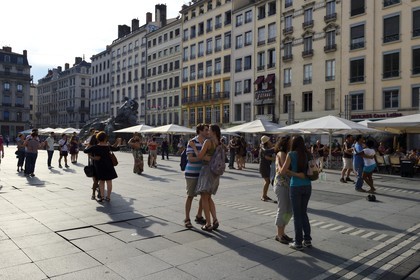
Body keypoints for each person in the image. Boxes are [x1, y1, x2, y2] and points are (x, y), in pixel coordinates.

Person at [279, 135, 312, 251]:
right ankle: (307, 240)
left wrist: (291, 172)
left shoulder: (291, 154)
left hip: (295, 186)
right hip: (308, 185)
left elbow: (282, 172)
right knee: (304, 213)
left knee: (297, 215)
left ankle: (298, 242)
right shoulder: (308, 154)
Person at [189, 124, 222, 231]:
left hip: (206, 171)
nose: (208, 132)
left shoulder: (208, 142)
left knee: (204, 197)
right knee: (209, 197)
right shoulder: (219, 143)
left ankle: (208, 223)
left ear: (214, 132)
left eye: (210, 130)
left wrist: (194, 147)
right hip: (215, 172)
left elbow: (199, 156)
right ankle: (215, 220)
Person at [84, 131, 121, 202]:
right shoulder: (108, 147)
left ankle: (102, 197)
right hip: (109, 166)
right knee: (109, 181)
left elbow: (85, 151)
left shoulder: (95, 147)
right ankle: (108, 197)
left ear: (98, 138)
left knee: (101, 181)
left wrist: (88, 146)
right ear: (105, 139)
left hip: (99, 166)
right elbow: (117, 148)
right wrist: (118, 142)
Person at [183, 123, 207, 229]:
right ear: (200, 131)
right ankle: (187, 218)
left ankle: (199, 215)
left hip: (202, 173)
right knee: (190, 196)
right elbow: (190, 159)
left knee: (203, 195)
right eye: (206, 130)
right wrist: (202, 157)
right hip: (192, 173)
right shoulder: (192, 142)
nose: (207, 132)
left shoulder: (206, 142)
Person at [273, 136, 293, 245]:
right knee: (283, 209)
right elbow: (283, 171)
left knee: (289, 210)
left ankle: (282, 232)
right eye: (290, 142)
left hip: (286, 184)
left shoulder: (285, 153)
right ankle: (279, 234)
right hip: (281, 185)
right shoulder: (281, 153)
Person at [85, 130, 101, 200]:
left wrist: (91, 157)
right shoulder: (101, 145)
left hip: (93, 163)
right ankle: (99, 192)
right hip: (101, 163)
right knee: (100, 180)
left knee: (96, 180)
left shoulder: (91, 146)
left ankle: (93, 194)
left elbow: (86, 151)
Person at [259, 135, 275, 202]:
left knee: (267, 181)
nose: (270, 141)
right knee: (267, 181)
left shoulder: (265, 147)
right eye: (269, 140)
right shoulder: (264, 148)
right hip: (264, 166)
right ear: (267, 141)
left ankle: (264, 195)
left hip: (265, 166)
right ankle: (263, 195)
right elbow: (267, 157)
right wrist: (275, 159)